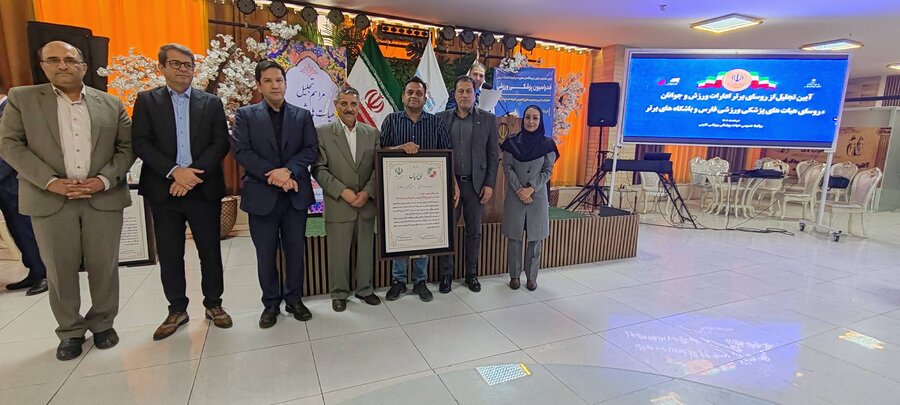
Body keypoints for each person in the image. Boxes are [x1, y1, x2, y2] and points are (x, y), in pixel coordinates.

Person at [0, 41, 133, 360]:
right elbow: (10, 144)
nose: (63, 65)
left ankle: (103, 323)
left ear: (83, 67)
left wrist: (102, 180)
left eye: (70, 60)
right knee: (59, 268)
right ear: (43, 65)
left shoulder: (111, 103)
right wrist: (51, 181)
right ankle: (70, 330)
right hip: (49, 198)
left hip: (102, 197)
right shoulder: (22, 99)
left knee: (104, 265)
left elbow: (126, 148)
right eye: (54, 60)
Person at [132, 43, 232, 341]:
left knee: (210, 251)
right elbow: (141, 142)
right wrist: (175, 171)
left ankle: (214, 304)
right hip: (164, 191)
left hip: (203, 189)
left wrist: (191, 174)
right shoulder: (147, 101)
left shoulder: (210, 102)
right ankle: (177, 309)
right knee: (170, 253)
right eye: (176, 64)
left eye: (188, 64)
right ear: (162, 67)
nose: (183, 69)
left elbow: (220, 143)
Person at [232, 60, 318, 327]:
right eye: (268, 81)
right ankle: (270, 303)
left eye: (279, 80)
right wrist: (276, 175)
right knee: (266, 254)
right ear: (259, 85)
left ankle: (294, 299)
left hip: (294, 197)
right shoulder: (245, 115)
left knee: (295, 251)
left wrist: (288, 171)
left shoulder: (302, 115)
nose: (274, 85)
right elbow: (242, 151)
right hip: (262, 196)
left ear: (286, 83)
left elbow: (310, 149)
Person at [380, 76, 456, 302]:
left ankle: (420, 280)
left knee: (423, 232)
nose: (414, 96)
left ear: (425, 98)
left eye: (419, 93)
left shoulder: (436, 123)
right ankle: (399, 281)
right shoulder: (391, 120)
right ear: (403, 96)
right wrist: (400, 148)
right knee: (400, 232)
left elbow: (447, 154)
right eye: (410, 92)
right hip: (399, 192)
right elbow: (381, 150)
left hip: (426, 193)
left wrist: (453, 183)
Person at [312, 86, 382, 312]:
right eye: (344, 103)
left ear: (359, 106)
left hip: (365, 203)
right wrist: (343, 192)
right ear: (336, 105)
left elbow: (377, 168)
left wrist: (366, 192)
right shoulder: (322, 133)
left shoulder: (372, 133)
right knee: (338, 252)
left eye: (353, 104)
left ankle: (365, 289)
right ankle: (339, 293)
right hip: (339, 203)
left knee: (365, 251)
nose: (349, 108)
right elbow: (318, 169)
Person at [436, 75, 499, 293]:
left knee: (474, 232)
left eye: (469, 91)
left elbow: (493, 155)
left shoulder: (488, 120)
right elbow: (438, 152)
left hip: (476, 186)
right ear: (454, 94)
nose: (464, 95)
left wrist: (489, 184)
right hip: (450, 186)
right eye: (460, 91)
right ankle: (446, 275)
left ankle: (471, 274)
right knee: (448, 232)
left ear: (475, 94)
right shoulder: (441, 119)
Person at [500, 105, 558, 291]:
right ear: (523, 119)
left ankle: (532, 278)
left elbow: (548, 170)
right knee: (514, 238)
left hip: (537, 197)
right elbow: (507, 167)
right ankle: (514, 276)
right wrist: (520, 190)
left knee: (535, 239)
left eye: (535, 118)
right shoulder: (511, 142)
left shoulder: (548, 144)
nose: (531, 121)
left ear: (540, 121)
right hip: (515, 197)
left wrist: (531, 189)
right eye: (527, 117)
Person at [0, 89, 48, 296]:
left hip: (14, 180)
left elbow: (11, 149)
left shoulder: (11, 108)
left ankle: (44, 273)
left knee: (26, 229)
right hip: (4, 185)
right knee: (14, 229)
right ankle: (33, 270)